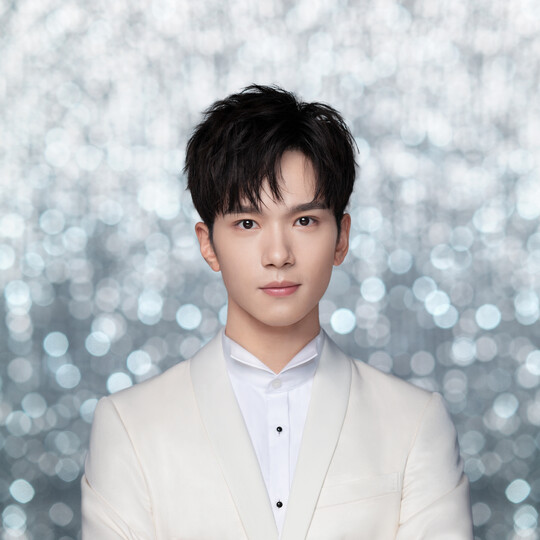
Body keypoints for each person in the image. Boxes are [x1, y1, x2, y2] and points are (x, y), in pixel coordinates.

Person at [81, 85, 473, 539]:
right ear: (208, 244)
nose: (278, 255)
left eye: (305, 221)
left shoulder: (415, 422)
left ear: (341, 237)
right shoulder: (130, 426)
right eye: (247, 223)